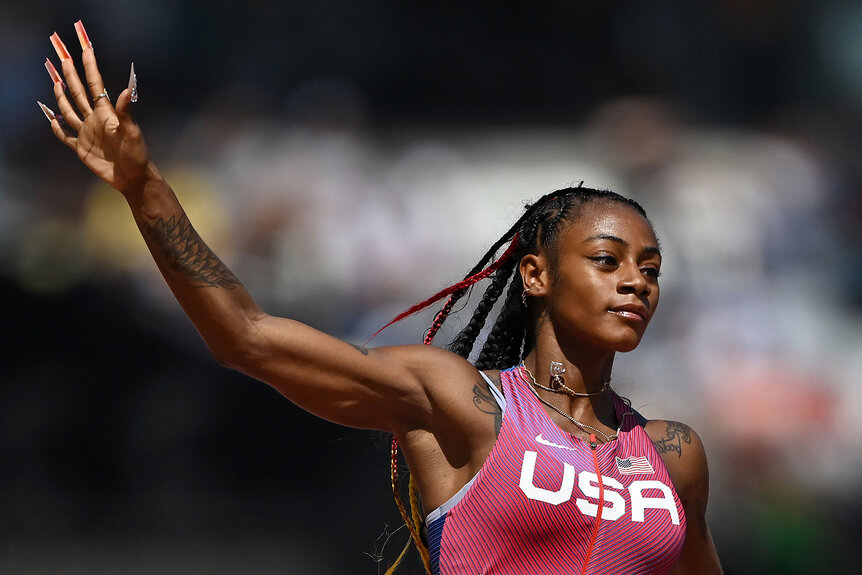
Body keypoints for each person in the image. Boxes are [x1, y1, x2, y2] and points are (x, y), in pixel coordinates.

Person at [40, 21, 722, 575]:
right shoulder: (463, 403)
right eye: (607, 260)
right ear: (537, 276)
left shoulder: (672, 455)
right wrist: (143, 186)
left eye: (650, 267)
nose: (637, 280)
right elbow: (245, 336)